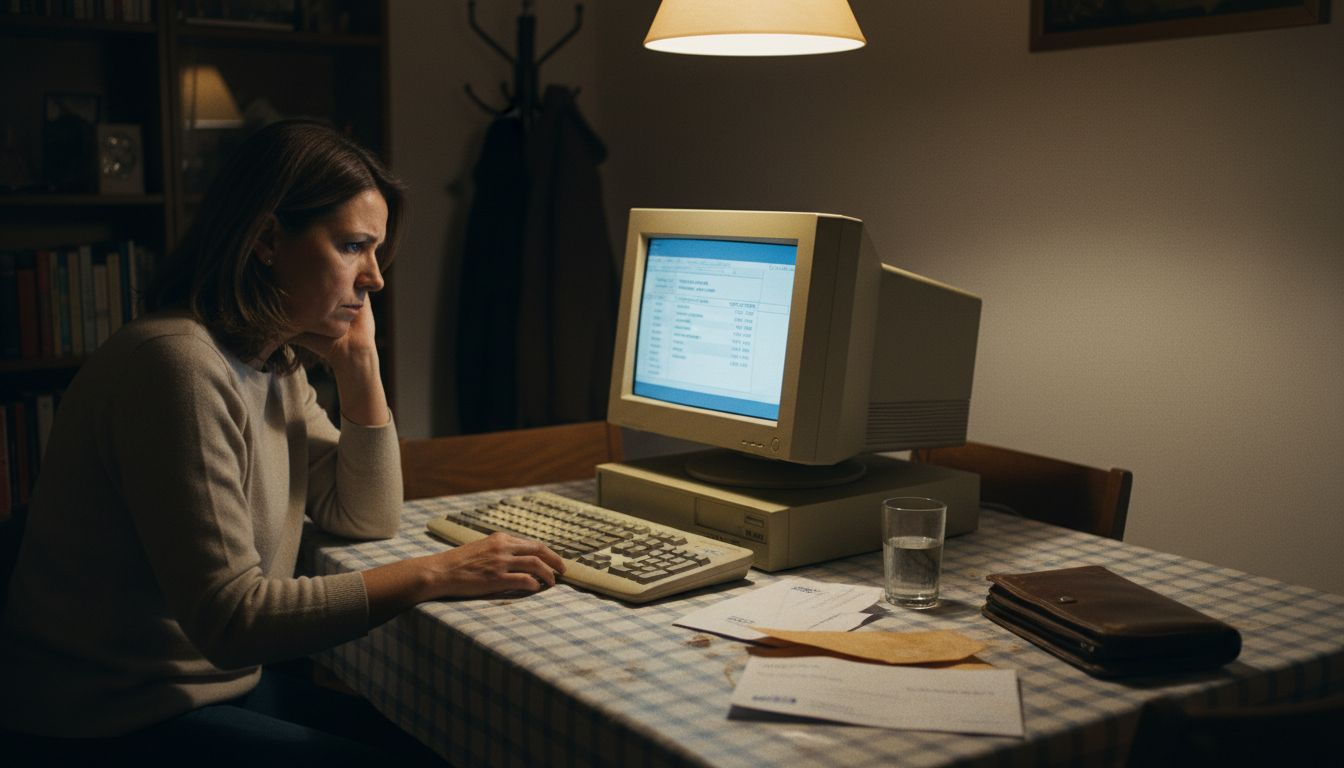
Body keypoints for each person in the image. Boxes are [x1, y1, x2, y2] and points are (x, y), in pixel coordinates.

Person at [0, 119, 565, 764]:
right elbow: (234, 620)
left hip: (206, 691)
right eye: (353, 246)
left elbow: (365, 514)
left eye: (376, 251)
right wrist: (436, 572)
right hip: (105, 721)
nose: (375, 277)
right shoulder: (179, 365)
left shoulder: (272, 364)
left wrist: (361, 368)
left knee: (456, 745)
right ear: (267, 238)